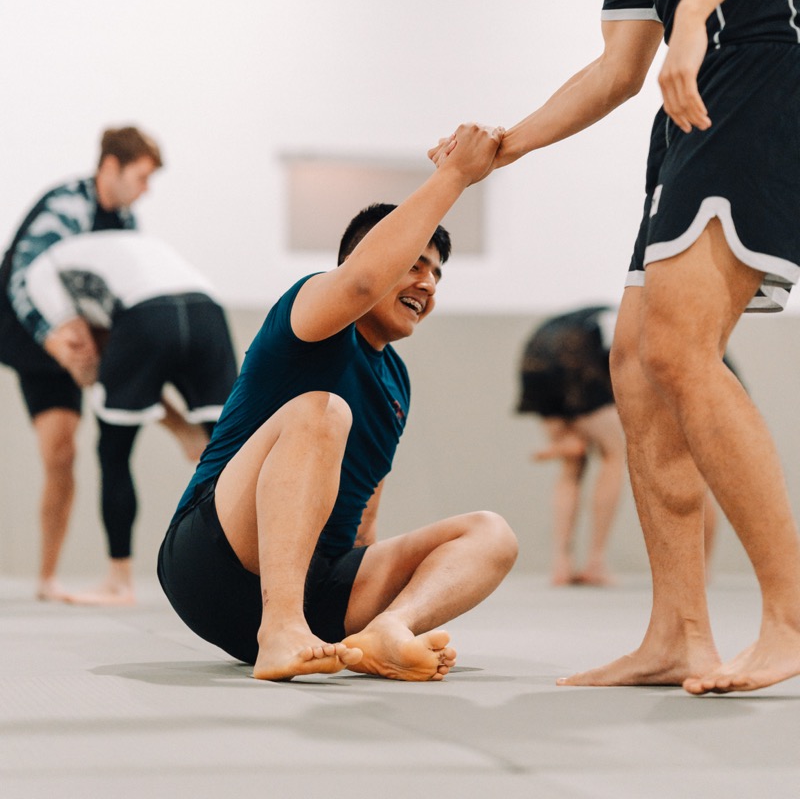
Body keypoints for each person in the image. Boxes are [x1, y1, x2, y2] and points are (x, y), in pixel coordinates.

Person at [433, 0, 800, 694]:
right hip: (685, 106)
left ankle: (787, 620)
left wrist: (694, 16)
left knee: (681, 349)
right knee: (634, 365)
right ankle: (677, 632)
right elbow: (616, 70)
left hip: (757, 69)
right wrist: (501, 147)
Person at [158, 123, 519, 682]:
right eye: (415, 264)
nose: (428, 284)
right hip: (215, 560)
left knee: (491, 533)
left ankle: (388, 631)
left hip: (322, 590)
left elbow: (365, 513)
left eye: (437, 274)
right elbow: (358, 284)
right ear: (367, 258)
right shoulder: (309, 315)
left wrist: (376, 595)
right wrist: (455, 174)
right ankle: (280, 627)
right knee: (323, 410)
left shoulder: (396, 381)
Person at [23, 228, 238, 605]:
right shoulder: (125, 247)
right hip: (209, 311)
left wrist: (89, 374)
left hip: (146, 316)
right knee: (234, 452)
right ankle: (248, 576)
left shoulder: (39, 273)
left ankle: (119, 582)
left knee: (114, 452)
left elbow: (86, 354)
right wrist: (182, 428)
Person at [0, 126, 162, 599]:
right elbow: (23, 278)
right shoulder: (66, 206)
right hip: (29, 331)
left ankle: (47, 578)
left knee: (64, 452)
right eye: (141, 177)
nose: (146, 189)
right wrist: (51, 339)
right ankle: (47, 576)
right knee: (61, 450)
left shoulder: (126, 223)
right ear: (110, 167)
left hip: (78, 333)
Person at [517, 306, 626, 586]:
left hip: (535, 358)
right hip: (577, 356)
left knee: (572, 461)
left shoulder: (594, 313)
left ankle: (561, 564)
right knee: (614, 454)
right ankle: (596, 561)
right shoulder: (627, 315)